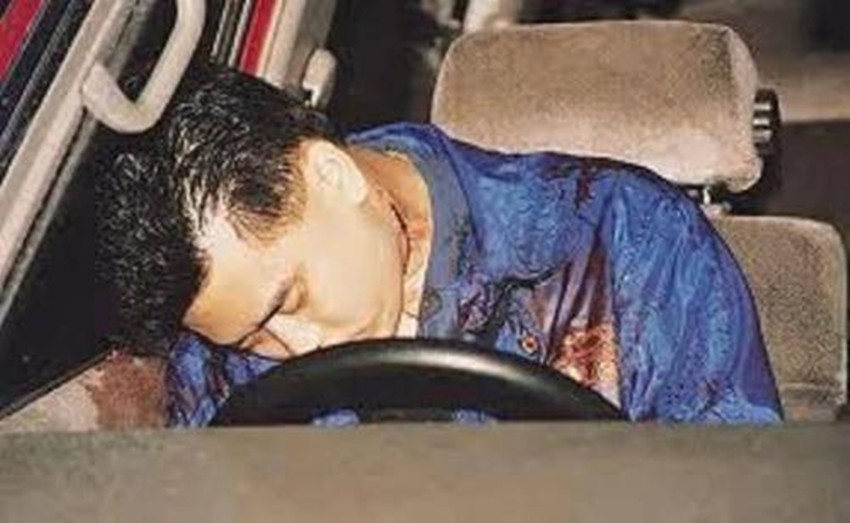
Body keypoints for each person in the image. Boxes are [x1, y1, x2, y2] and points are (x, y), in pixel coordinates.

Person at [95, 66, 782, 427]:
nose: (298, 348)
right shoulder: (211, 345)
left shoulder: (631, 243)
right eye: (255, 337)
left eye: (291, 300)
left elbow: (724, 493)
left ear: (331, 175)